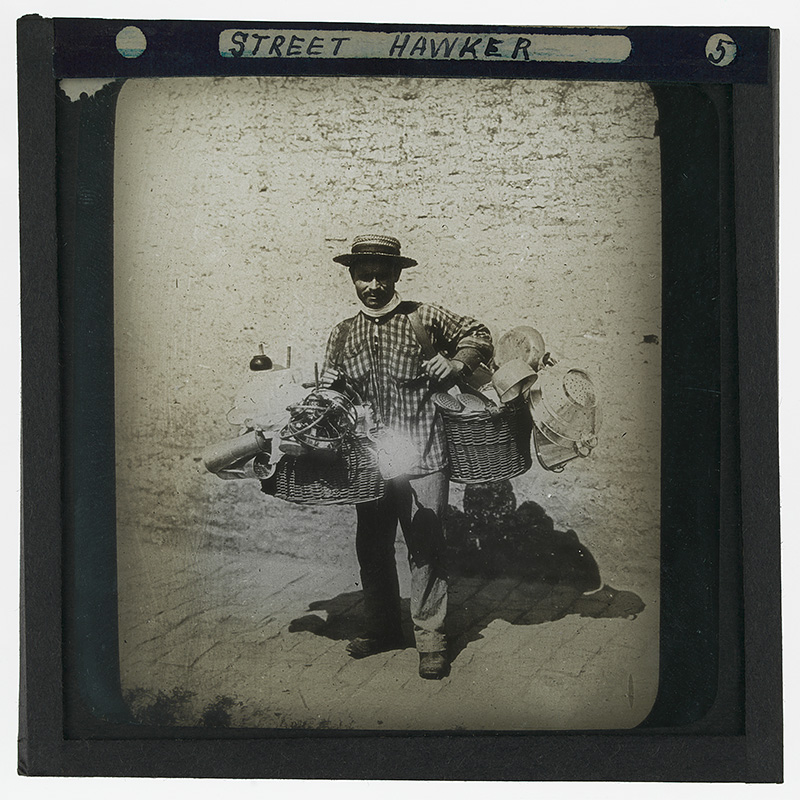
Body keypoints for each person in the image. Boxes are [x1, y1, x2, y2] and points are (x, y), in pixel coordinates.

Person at [321, 234, 493, 679]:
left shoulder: (424, 317)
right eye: (364, 276)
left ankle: (431, 639)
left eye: (382, 275)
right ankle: (382, 628)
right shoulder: (342, 333)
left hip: (423, 454)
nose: (374, 285)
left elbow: (479, 334)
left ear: (397, 274)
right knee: (372, 546)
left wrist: (456, 364)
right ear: (352, 277)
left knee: (426, 547)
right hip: (371, 462)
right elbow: (333, 393)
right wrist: (324, 398)